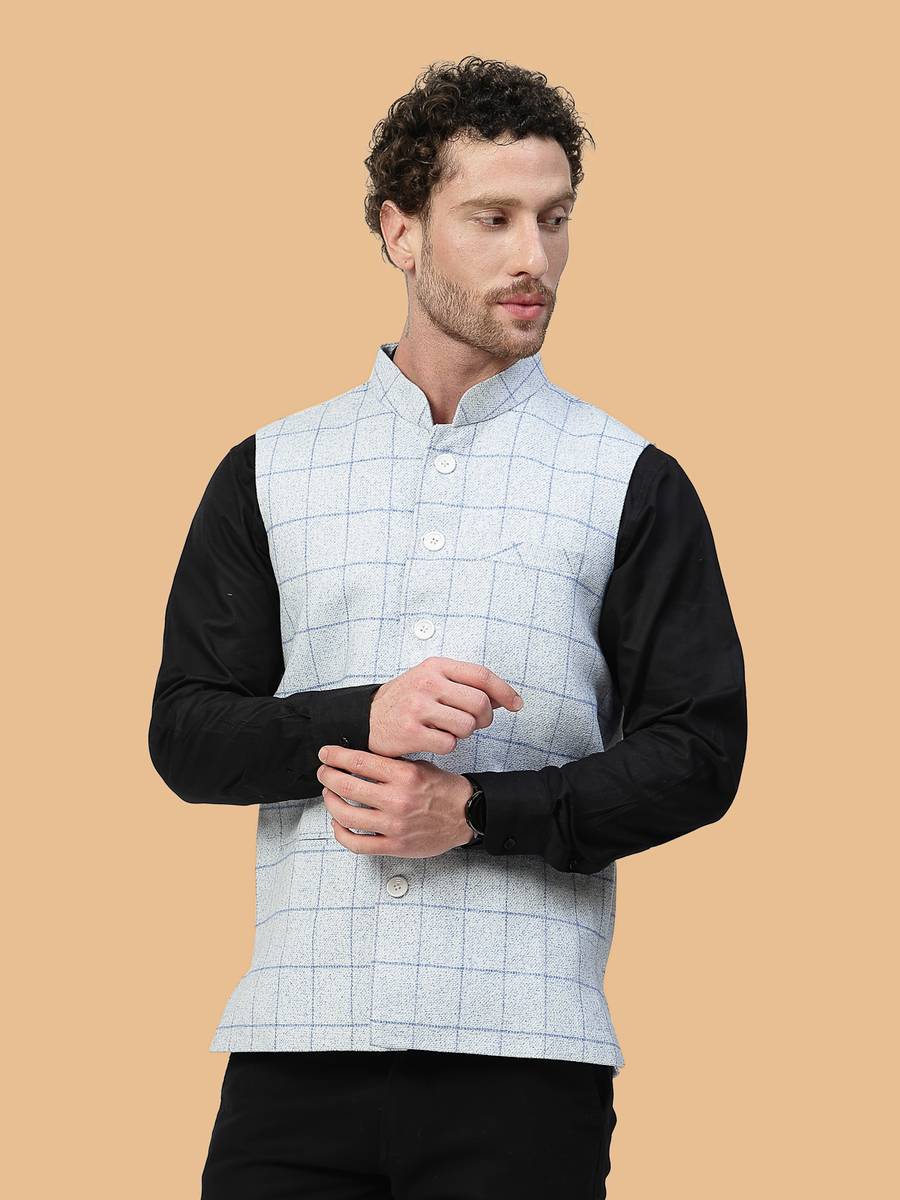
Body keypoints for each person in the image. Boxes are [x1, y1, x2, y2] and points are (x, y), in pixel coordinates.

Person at [149, 54, 747, 1200]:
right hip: (293, 1052)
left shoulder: (631, 479)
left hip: (525, 1059)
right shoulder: (269, 469)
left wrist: (474, 812)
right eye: (493, 218)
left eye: (555, 219)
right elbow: (186, 735)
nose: (535, 258)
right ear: (401, 230)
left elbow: (699, 755)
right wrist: (360, 715)